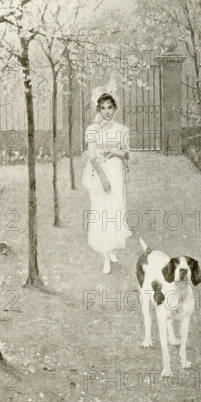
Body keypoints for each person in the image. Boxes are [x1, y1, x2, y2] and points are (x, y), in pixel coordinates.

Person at [82, 90, 132, 273]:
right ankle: (105, 256)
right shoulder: (93, 130)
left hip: (116, 172)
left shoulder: (122, 130)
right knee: (102, 213)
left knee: (115, 212)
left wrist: (115, 153)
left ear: (115, 109)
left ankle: (111, 250)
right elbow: (93, 157)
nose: (107, 111)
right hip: (99, 174)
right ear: (98, 109)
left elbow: (127, 153)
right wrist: (103, 179)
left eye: (110, 107)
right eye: (102, 108)